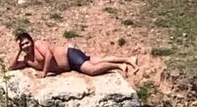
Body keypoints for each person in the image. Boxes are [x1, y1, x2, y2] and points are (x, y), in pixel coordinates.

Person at [9, 31, 138, 78]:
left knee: (92, 70)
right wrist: (18, 51)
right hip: (70, 65)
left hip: (70, 56)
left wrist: (44, 72)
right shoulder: (27, 60)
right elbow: (11, 67)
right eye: (22, 45)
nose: (26, 46)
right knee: (99, 60)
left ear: (31, 41)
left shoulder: (38, 45)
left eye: (27, 43)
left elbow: (49, 55)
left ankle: (117, 66)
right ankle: (128, 59)